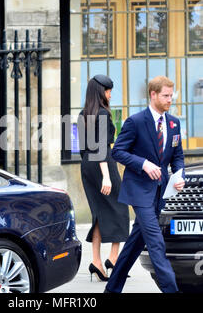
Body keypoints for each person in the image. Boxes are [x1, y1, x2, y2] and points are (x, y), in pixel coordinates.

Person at [104, 76, 185, 293]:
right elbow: (117, 151)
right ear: (153, 94)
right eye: (166, 96)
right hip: (139, 192)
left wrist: (180, 175)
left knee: (134, 245)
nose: (170, 100)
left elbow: (177, 155)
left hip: (160, 193)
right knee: (156, 243)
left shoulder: (174, 123)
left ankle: (111, 290)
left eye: (171, 95)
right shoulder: (136, 121)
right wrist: (143, 164)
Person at [78, 75, 130, 282]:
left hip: (87, 165)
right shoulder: (102, 113)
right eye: (108, 90)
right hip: (102, 163)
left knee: (99, 213)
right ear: (101, 92)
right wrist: (106, 176)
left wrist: (90, 168)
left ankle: (97, 262)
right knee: (120, 208)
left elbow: (83, 149)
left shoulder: (83, 114)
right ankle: (113, 258)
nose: (110, 94)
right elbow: (101, 147)